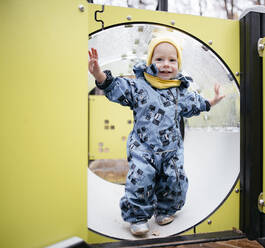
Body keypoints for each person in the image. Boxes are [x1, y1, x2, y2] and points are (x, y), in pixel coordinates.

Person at [88, 36, 225, 236]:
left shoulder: (180, 91)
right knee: (140, 180)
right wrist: (99, 74)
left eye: (172, 60)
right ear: (150, 61)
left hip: (172, 150)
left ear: (178, 64)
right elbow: (118, 87)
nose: (166, 65)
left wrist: (212, 101)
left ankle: (166, 209)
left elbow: (195, 104)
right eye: (159, 59)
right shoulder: (140, 86)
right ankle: (138, 217)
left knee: (175, 180)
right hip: (143, 147)